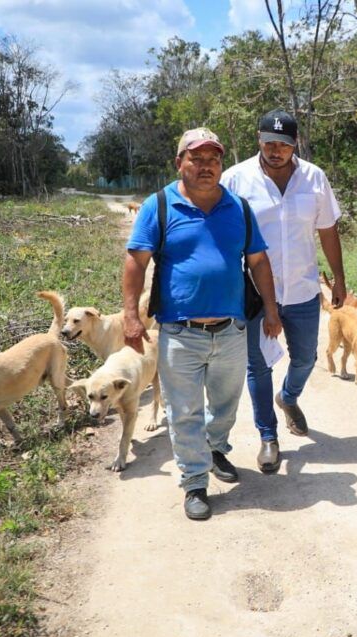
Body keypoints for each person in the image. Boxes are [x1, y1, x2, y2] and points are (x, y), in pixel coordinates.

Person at [122, 127, 282, 521]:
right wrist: (130, 316)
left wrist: (271, 310)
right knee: (184, 412)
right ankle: (194, 481)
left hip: (231, 330)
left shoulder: (238, 208)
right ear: (180, 163)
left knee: (226, 405)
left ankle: (214, 449)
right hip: (179, 332)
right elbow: (136, 262)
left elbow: (258, 261)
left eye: (214, 159)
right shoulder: (159, 205)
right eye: (197, 159)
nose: (206, 166)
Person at [221, 109, 345, 473]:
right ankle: (268, 437)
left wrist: (339, 278)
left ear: (296, 144)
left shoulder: (314, 178)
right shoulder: (236, 180)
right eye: (270, 143)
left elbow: (328, 229)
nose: (276, 151)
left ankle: (288, 396)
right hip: (255, 294)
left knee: (305, 358)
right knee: (257, 366)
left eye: (284, 145)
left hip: (303, 288)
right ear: (259, 140)